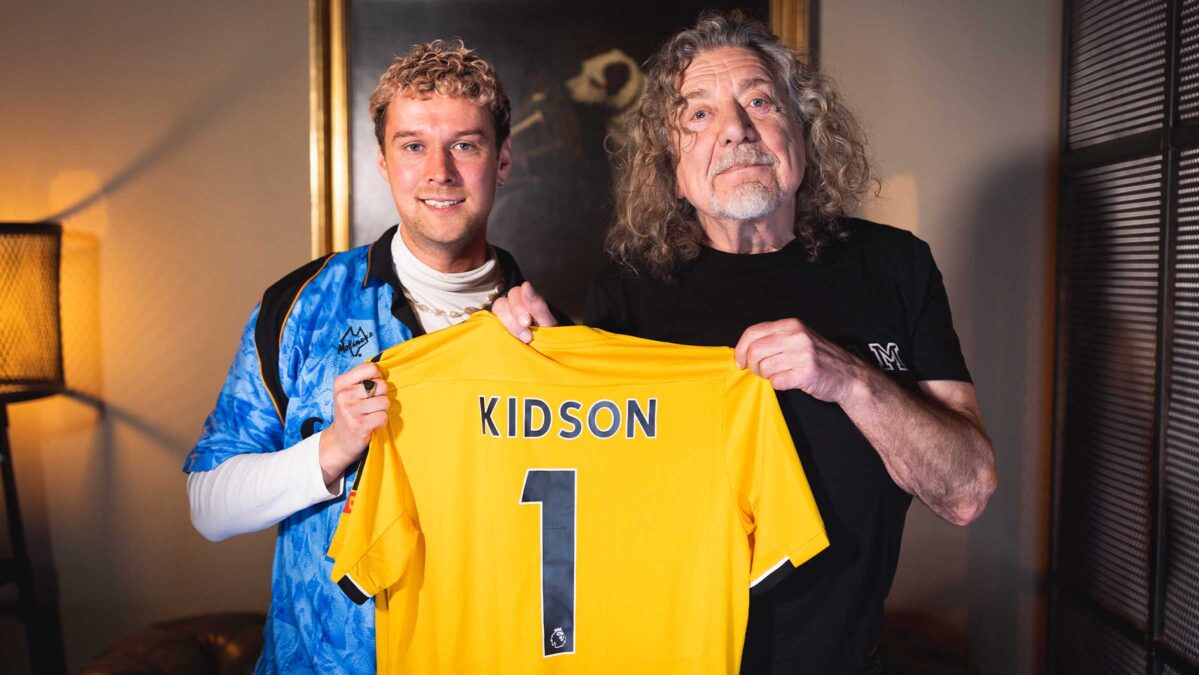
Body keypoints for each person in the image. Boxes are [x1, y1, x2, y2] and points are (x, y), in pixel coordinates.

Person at [494, 12, 997, 673]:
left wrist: (849, 378)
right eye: (698, 115)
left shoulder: (896, 267)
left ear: (803, 132)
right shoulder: (630, 292)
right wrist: (554, 368)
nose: (735, 128)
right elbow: (601, 509)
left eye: (759, 100)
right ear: (672, 167)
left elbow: (967, 490)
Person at [183, 40, 558, 673]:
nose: (439, 171)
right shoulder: (300, 306)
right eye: (413, 145)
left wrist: (552, 381)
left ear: (503, 161)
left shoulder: (554, 335)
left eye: (465, 144)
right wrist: (331, 449)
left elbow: (568, 554)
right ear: (383, 161)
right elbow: (207, 507)